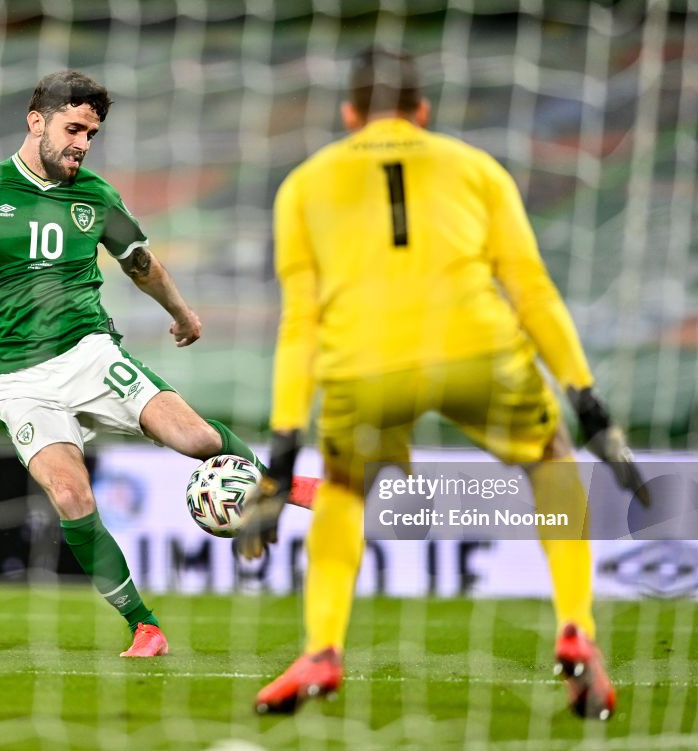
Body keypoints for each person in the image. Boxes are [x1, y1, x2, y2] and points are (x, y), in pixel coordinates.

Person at [237, 48, 648, 717]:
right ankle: (577, 625)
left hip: (363, 362)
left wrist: (283, 456)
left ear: (348, 113)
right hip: (478, 350)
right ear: (422, 111)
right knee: (550, 459)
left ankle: (323, 647)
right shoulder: (476, 167)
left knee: (342, 486)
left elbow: (299, 323)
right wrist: (588, 401)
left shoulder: (304, 185)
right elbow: (532, 289)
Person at [0, 69, 265, 658]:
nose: (82, 143)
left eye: (91, 133)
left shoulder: (96, 196)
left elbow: (142, 265)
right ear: (36, 122)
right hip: (16, 378)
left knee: (195, 440)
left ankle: (273, 492)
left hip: (88, 352)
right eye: (74, 128)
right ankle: (145, 626)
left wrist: (184, 314)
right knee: (70, 495)